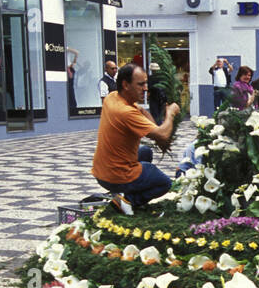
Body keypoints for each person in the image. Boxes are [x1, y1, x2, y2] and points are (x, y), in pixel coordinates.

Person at [92, 62, 179, 214]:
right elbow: (163, 134)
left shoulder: (112, 97)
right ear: (125, 85)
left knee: (145, 152)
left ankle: (124, 193)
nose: (145, 88)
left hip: (102, 171)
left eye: (146, 83)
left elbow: (142, 113)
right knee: (164, 183)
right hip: (114, 176)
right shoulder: (126, 112)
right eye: (140, 84)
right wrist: (170, 113)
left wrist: (157, 134)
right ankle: (128, 201)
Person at [65, 46, 80, 116]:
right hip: (68, 69)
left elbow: (76, 52)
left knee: (70, 88)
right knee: (69, 88)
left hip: (68, 69)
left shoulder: (66, 48)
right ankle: (71, 105)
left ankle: (73, 105)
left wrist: (72, 64)